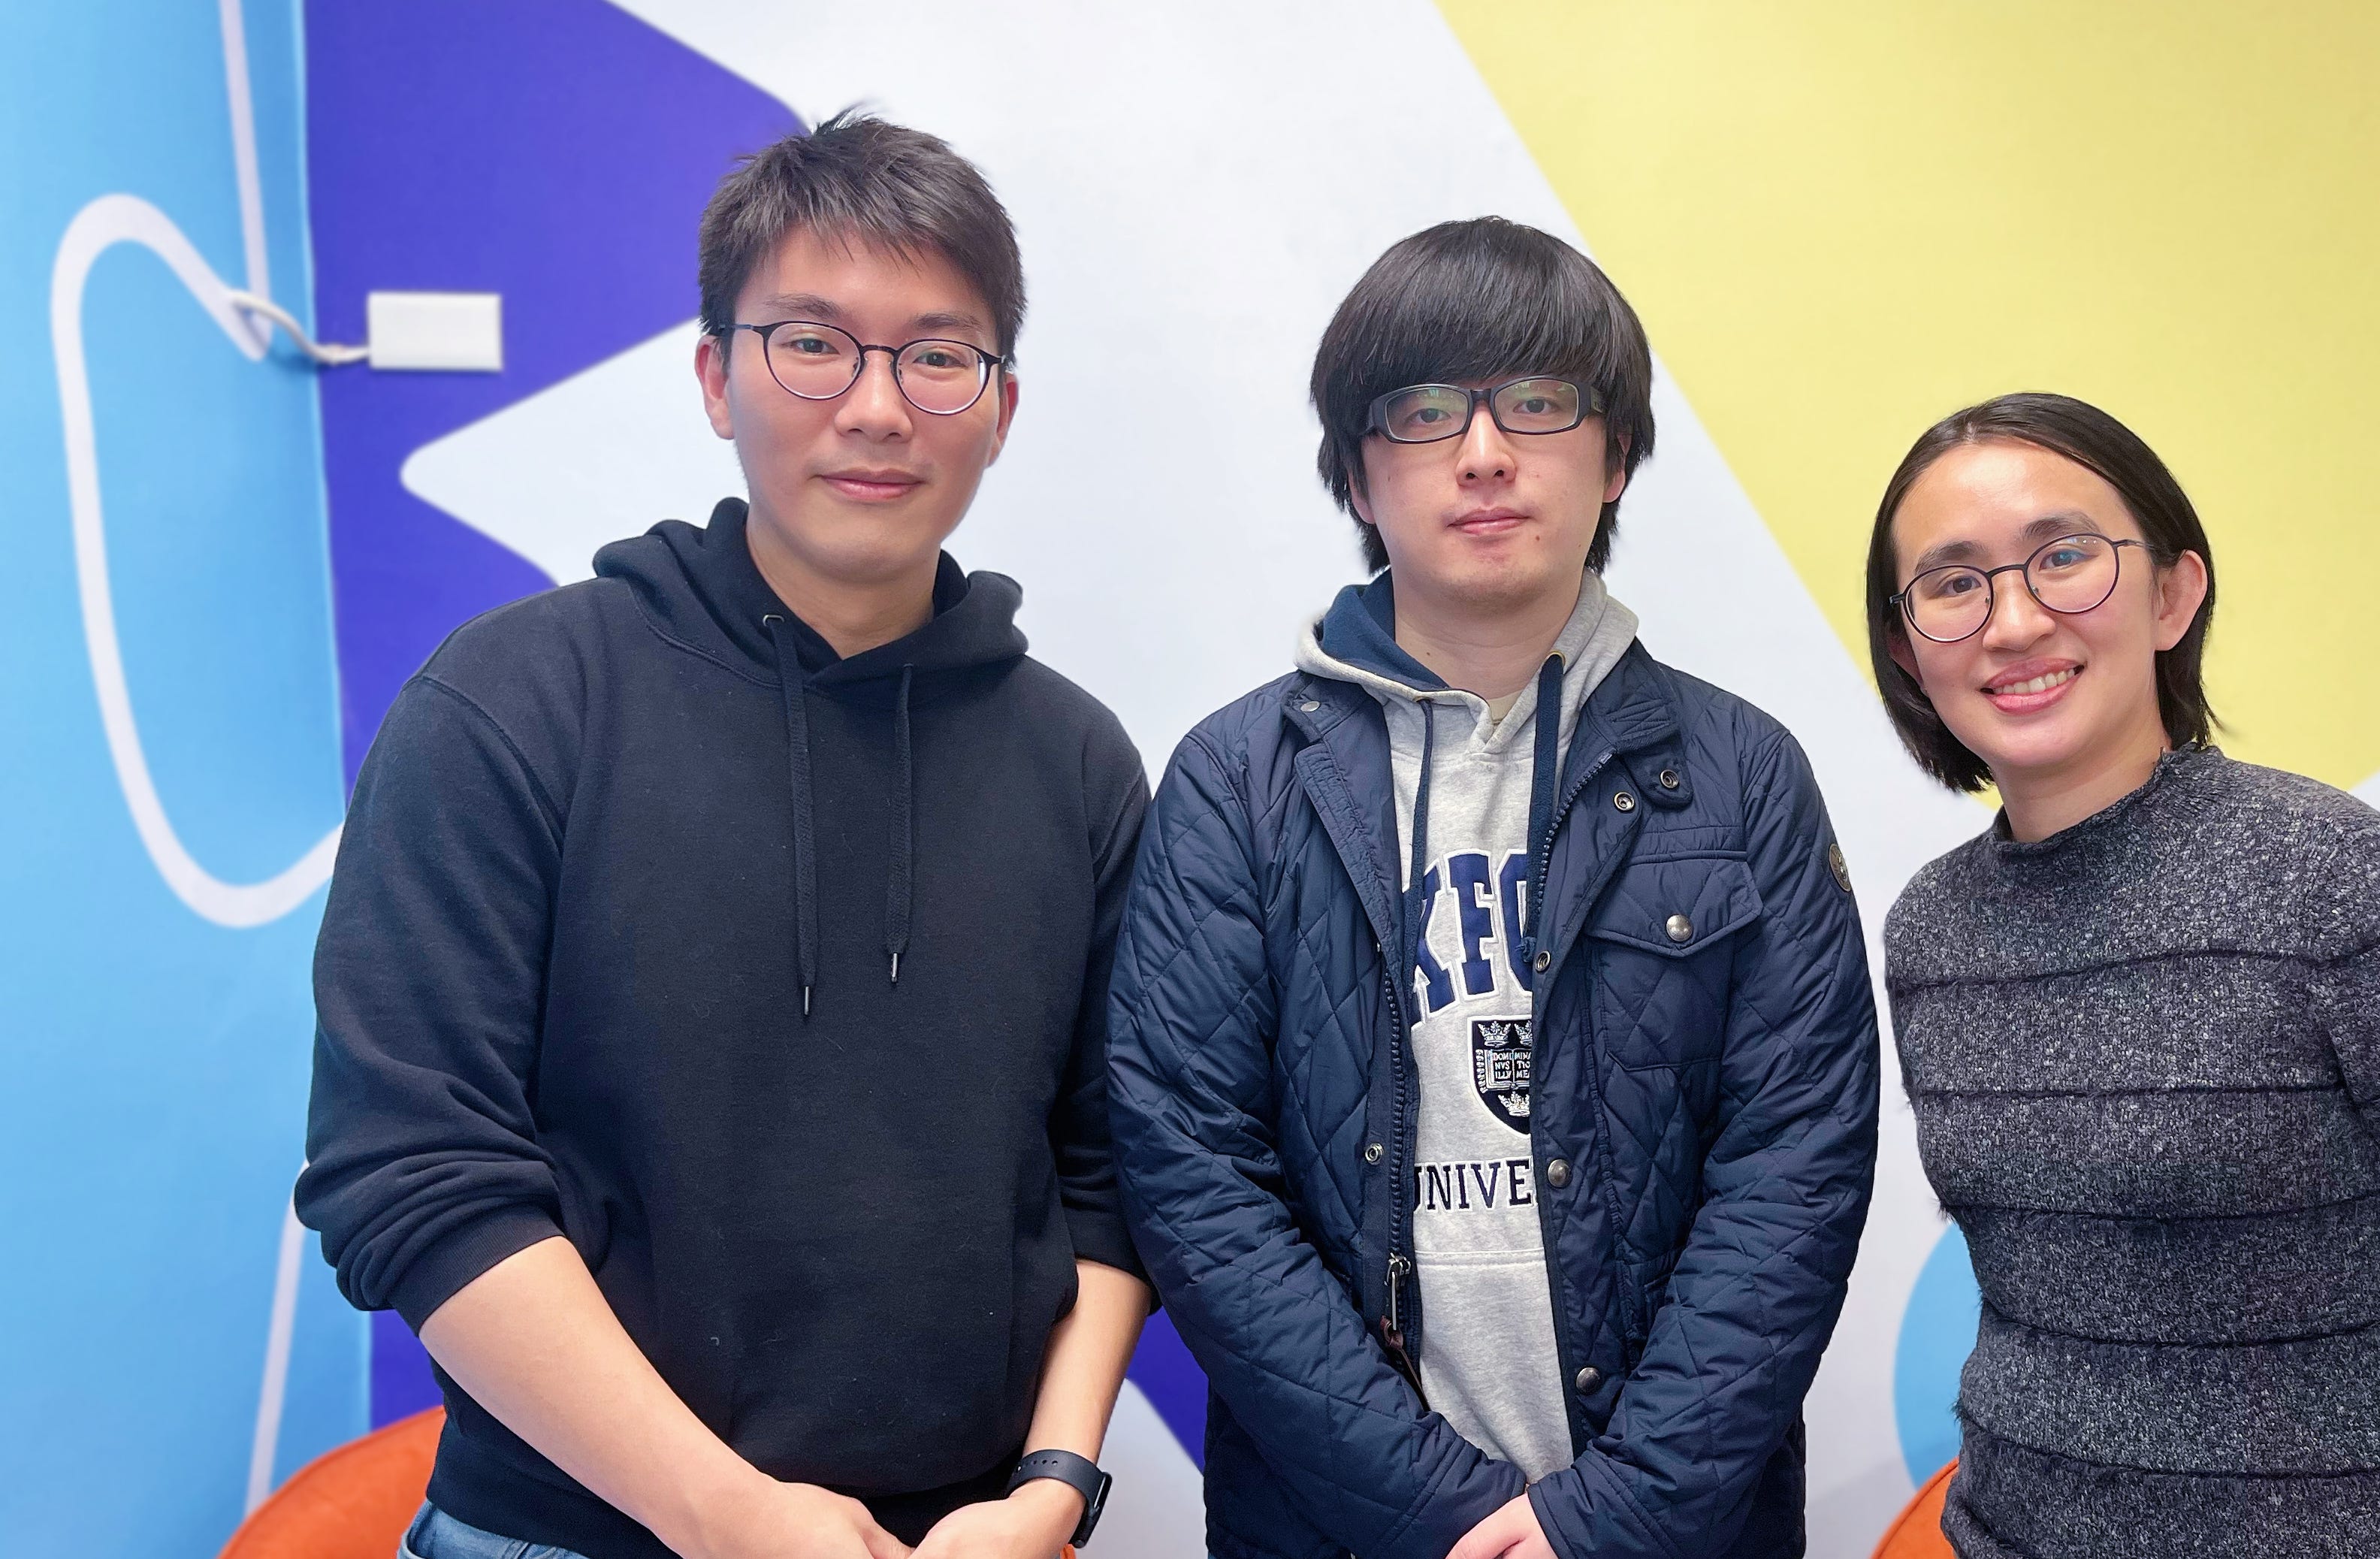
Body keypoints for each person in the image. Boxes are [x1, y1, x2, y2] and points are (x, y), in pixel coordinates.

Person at [298, 113, 1150, 1559]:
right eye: (812, 344)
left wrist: (1052, 1487)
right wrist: (725, 1514)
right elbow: (409, 1167)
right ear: (714, 377)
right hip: (563, 1534)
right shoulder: (517, 701)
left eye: (938, 357)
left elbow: (1109, 1175)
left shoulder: (1076, 761)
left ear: (1001, 407)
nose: (875, 408)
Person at [1107, 217, 1880, 1559]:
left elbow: (1795, 1166)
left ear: (1616, 456)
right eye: (1421, 411)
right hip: (1344, 1532)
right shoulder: (1236, 780)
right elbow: (1196, 1178)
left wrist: (1612, 1517)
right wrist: (1439, 1514)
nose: (1481, 453)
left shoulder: (1741, 774)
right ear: (1358, 474)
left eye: (1536, 401)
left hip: (1671, 1533)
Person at [1868, 391, 2380, 1557]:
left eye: (2064, 557)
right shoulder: (1931, 931)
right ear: (1905, 646)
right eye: (1952, 582)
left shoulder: (2334, 879)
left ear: (2172, 594)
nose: (2014, 620)